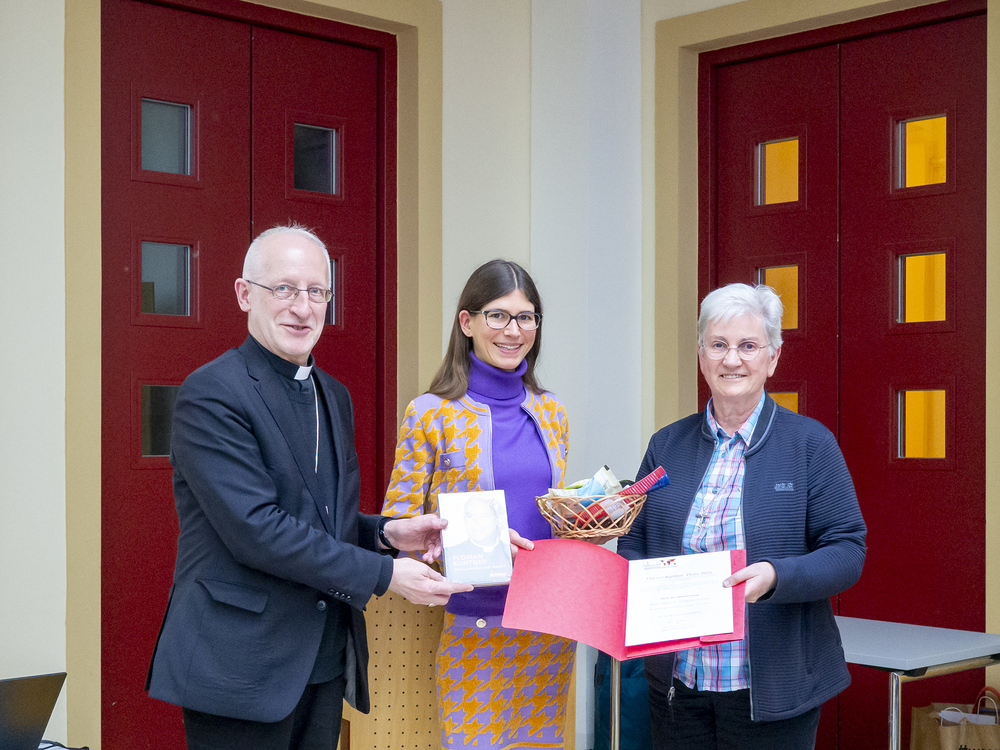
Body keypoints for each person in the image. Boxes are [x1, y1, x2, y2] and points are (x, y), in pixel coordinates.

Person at [146, 224, 471, 750]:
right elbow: (257, 531)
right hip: (239, 666)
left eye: (317, 292)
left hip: (322, 661)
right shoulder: (212, 393)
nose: (302, 308)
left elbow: (317, 520)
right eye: (284, 289)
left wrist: (387, 533)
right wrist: (385, 574)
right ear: (244, 294)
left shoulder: (332, 395)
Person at [617, 283, 866, 750]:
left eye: (748, 346)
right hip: (679, 686)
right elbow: (634, 539)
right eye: (718, 345)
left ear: (772, 357)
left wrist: (776, 576)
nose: (732, 359)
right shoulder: (665, 445)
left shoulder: (811, 445)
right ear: (701, 355)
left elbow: (848, 551)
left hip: (773, 688)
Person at [381, 259, 575, 750]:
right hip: (474, 623)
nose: (513, 331)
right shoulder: (430, 414)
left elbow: (553, 515)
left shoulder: (551, 411)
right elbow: (399, 528)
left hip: (548, 621)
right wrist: (467, 549)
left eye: (526, 317)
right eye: (498, 315)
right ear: (467, 322)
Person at [444, 493, 513, 581]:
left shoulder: (509, 551)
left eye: (483, 516)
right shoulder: (451, 553)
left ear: (497, 520)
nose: (476, 522)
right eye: (470, 516)